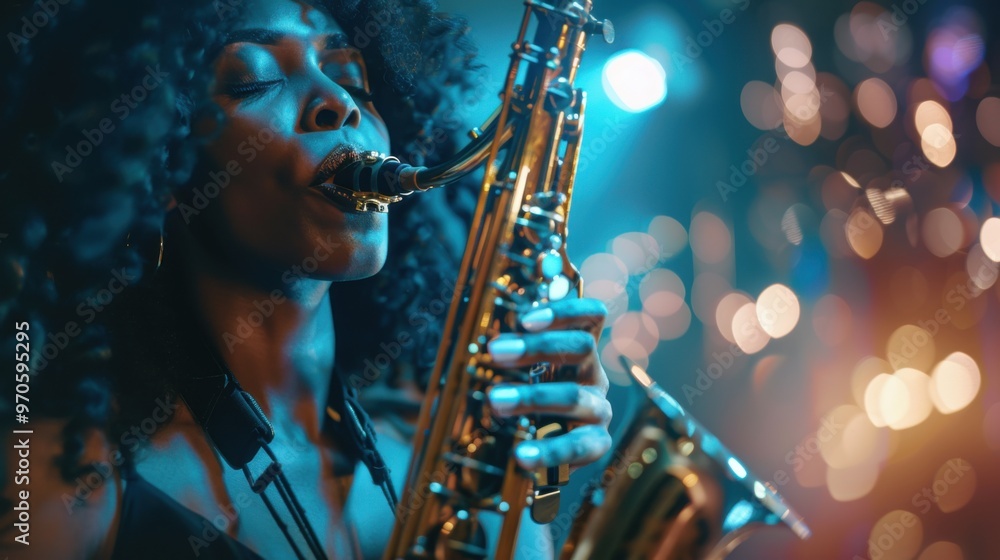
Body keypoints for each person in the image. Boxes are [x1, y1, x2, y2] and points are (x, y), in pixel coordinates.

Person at [0, 0, 612, 558]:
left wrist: (530, 486)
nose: (338, 102)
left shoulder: (445, 461)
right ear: (158, 164)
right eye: (253, 79)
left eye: (351, 78)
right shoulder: (56, 479)